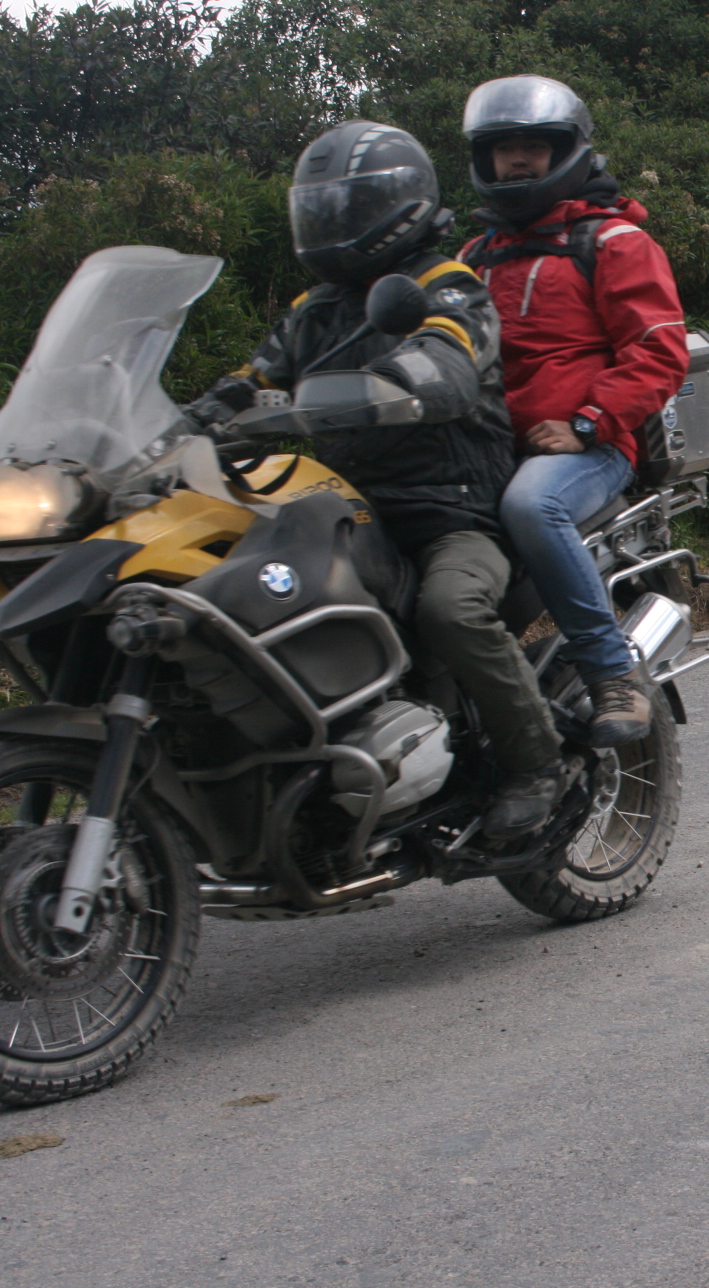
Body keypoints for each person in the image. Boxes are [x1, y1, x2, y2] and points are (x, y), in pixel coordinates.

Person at [185, 120, 565, 839]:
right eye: (321, 208)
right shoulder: (313, 312)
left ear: (401, 207)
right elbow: (247, 383)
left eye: (347, 208)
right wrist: (178, 424)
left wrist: (388, 385)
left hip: (451, 511)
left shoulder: (446, 287)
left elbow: (450, 362)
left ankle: (535, 766)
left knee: (450, 609)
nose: (331, 224)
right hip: (342, 509)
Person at [457, 75, 689, 745]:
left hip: (591, 448)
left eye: (535, 145)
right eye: (504, 149)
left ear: (569, 151)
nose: (518, 160)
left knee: (533, 506)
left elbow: (658, 351)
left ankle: (611, 672)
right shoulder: (473, 259)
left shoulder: (613, 243)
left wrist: (586, 421)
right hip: (493, 448)